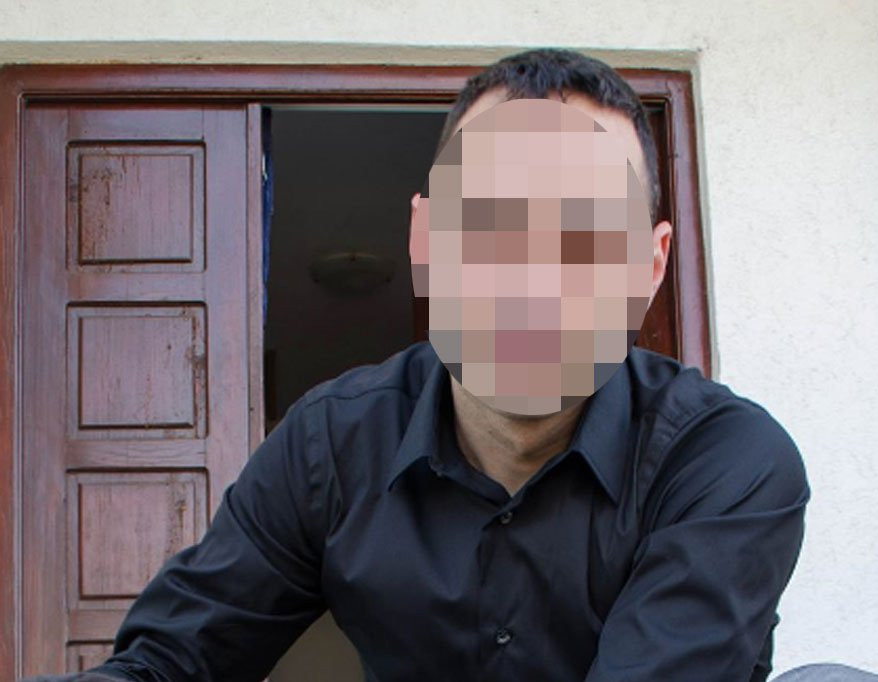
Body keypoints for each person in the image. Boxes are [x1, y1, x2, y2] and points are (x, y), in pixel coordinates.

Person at [26, 48, 814, 682]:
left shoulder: (722, 460)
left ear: (650, 264)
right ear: (425, 239)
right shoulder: (328, 446)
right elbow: (170, 663)